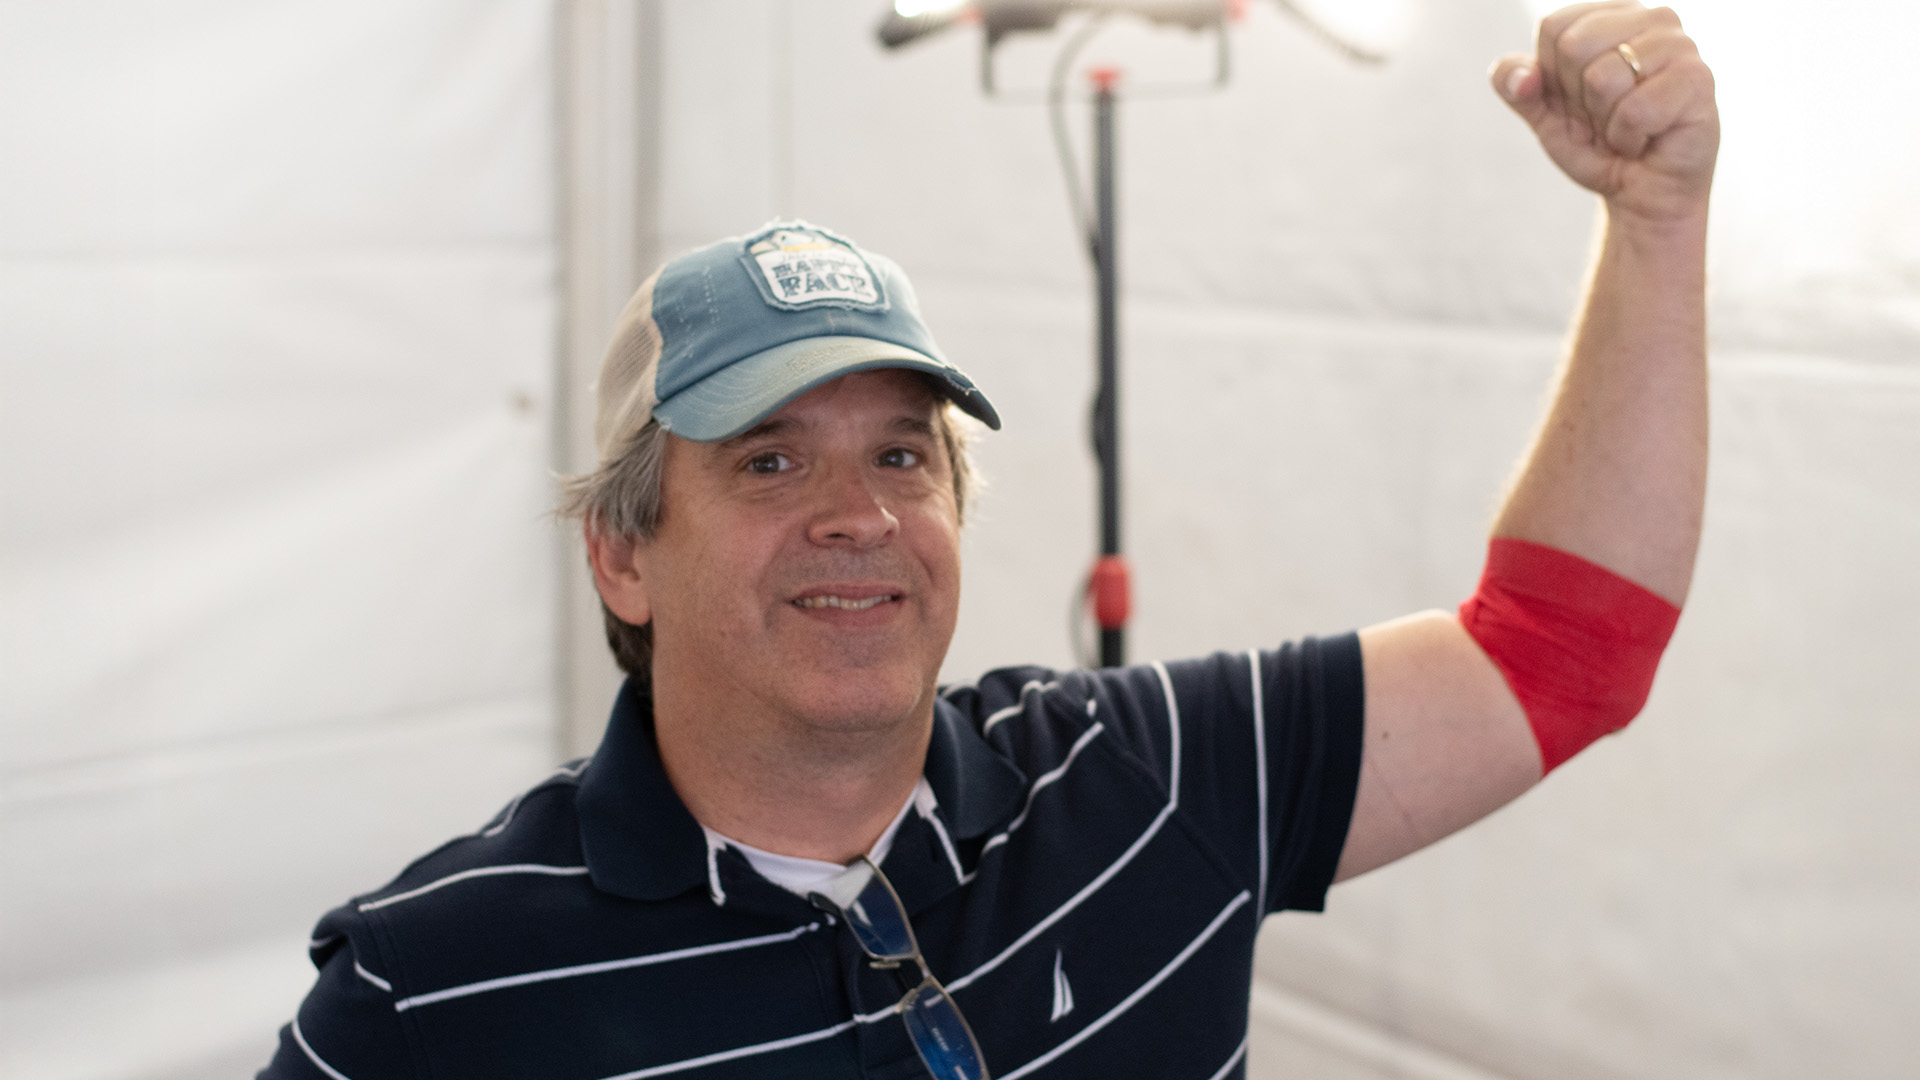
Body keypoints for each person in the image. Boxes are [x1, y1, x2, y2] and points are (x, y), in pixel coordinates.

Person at [260, 4, 1718, 1077]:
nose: (859, 515)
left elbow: (1562, 654)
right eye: (769, 459)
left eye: (904, 454)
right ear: (622, 555)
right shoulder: (432, 983)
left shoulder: (1138, 779)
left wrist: (1657, 220)